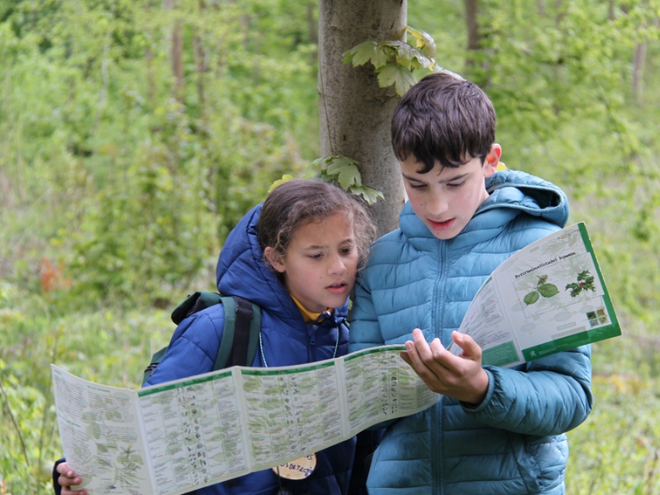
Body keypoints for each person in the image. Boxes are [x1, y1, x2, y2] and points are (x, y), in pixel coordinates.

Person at [348, 72, 593, 494]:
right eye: (417, 185)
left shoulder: (546, 252)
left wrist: (481, 389)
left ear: (491, 160)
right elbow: (362, 400)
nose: (436, 204)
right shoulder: (379, 260)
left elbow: (572, 397)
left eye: (455, 182)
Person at [54, 179, 378, 495]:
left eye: (346, 249)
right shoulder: (221, 327)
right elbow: (147, 425)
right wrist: (80, 474)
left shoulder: (351, 341)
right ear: (277, 258)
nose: (338, 267)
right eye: (316, 255)